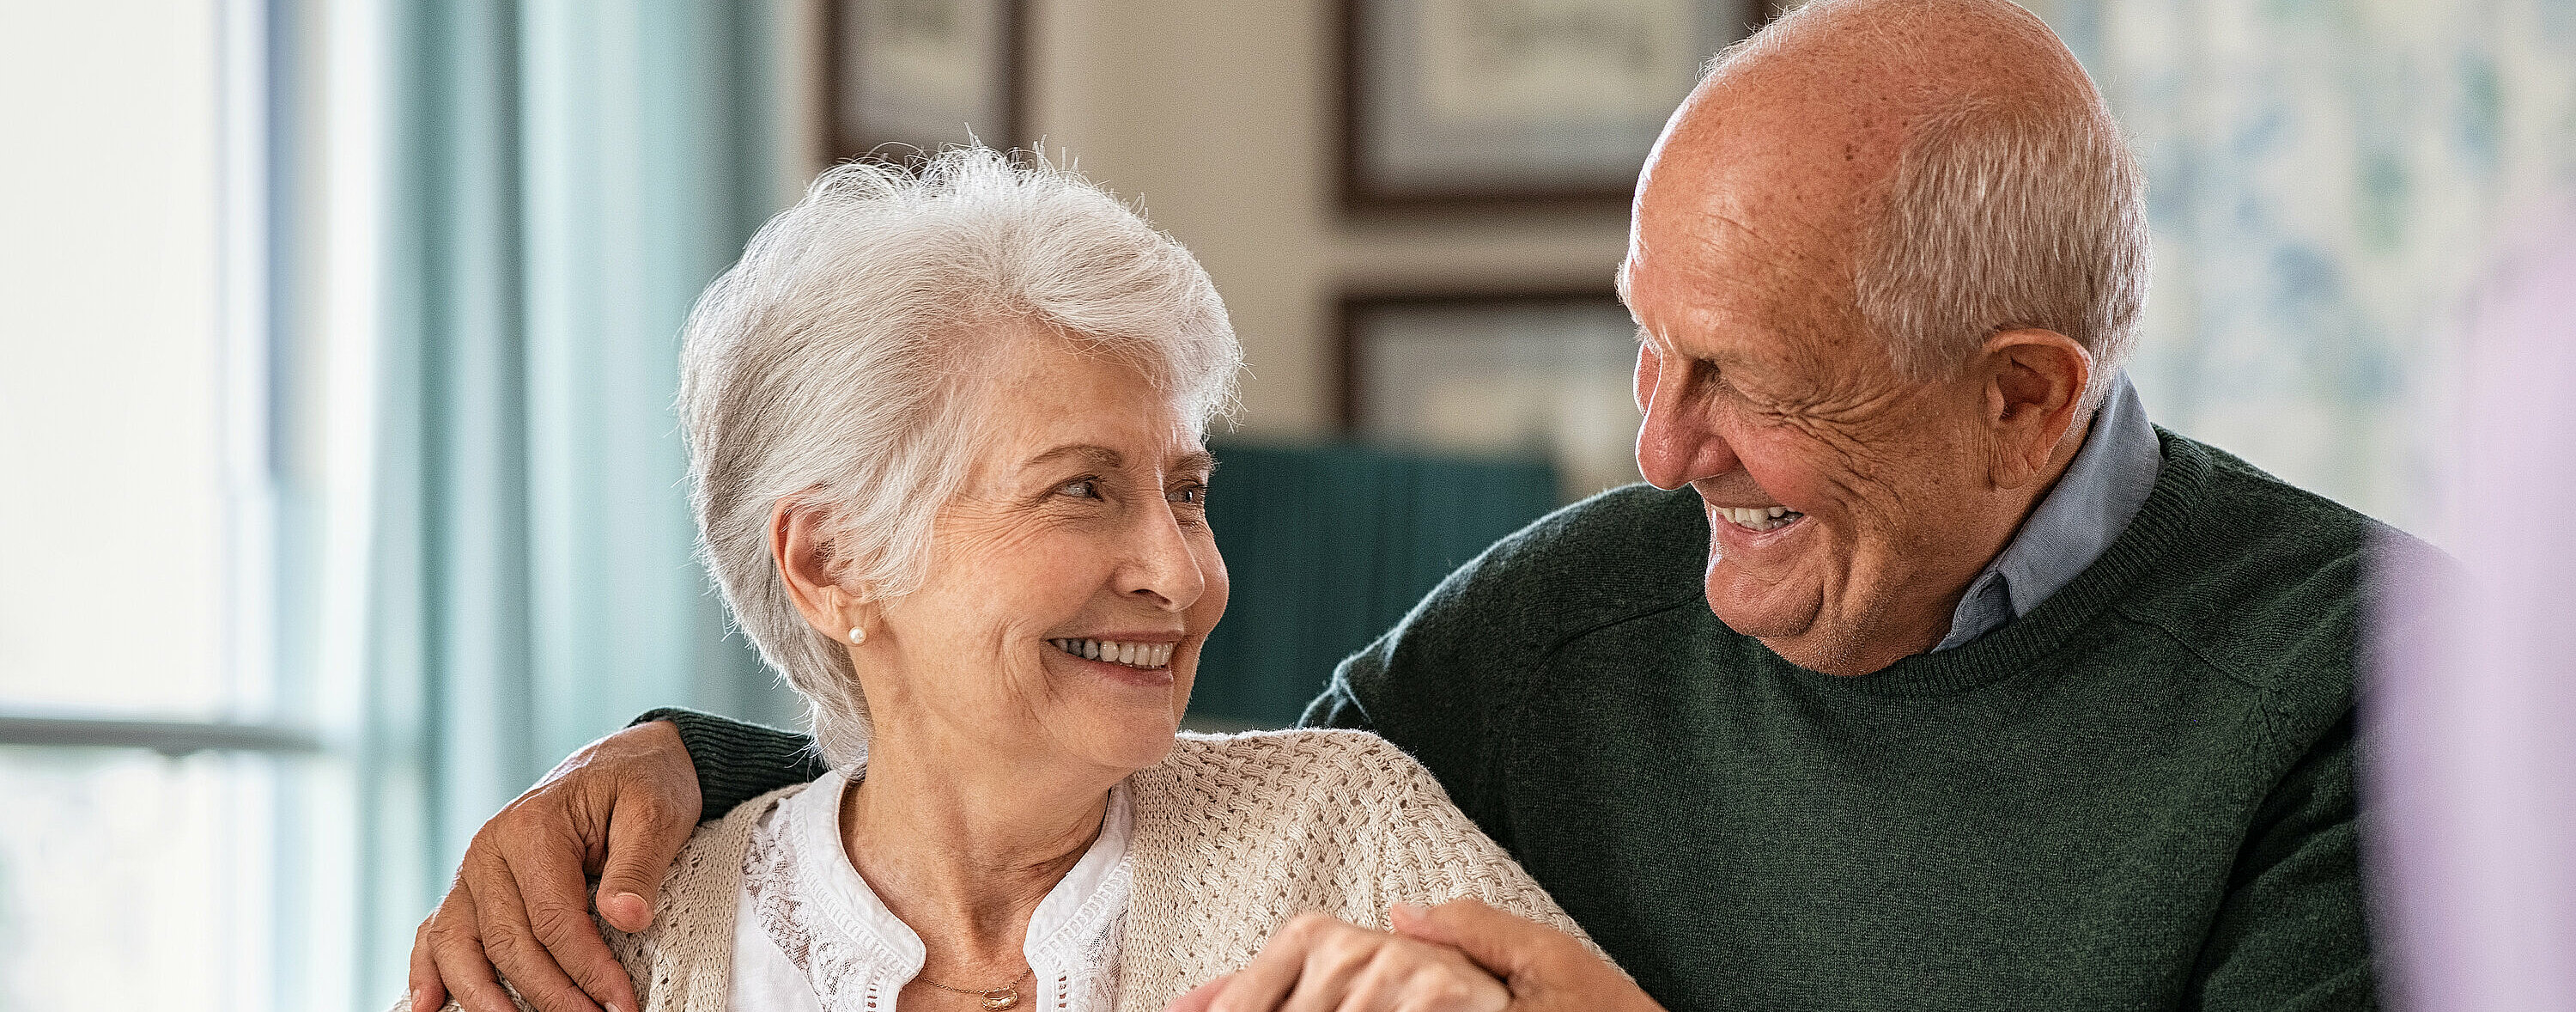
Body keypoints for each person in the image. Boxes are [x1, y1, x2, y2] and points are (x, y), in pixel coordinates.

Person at [416, 1, 2396, 1009]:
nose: (1660, 450)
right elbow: (1174, 796)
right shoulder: (1586, 617)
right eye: (1647, 344)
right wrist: (686, 778)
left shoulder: (2375, 699)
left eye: (1749, 385)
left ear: (2027, 398)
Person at [400, 148, 1601, 1012]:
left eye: (1187, 489)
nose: (1179, 570)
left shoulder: (1350, 835)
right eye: (1083, 489)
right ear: (830, 561)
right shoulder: (620, 950)